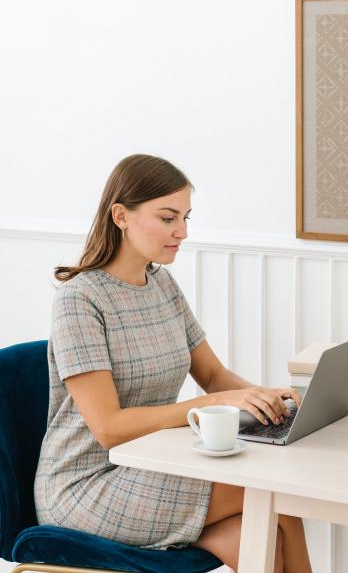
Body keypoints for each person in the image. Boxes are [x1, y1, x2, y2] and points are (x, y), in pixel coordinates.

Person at [34, 154, 313, 573]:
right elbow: (108, 427)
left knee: (264, 540)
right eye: (168, 218)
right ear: (120, 216)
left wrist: (263, 396)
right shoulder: (80, 299)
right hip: (88, 484)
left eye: (185, 218)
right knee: (275, 493)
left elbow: (214, 375)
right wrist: (207, 406)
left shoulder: (161, 282)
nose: (181, 232)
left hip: (153, 465)